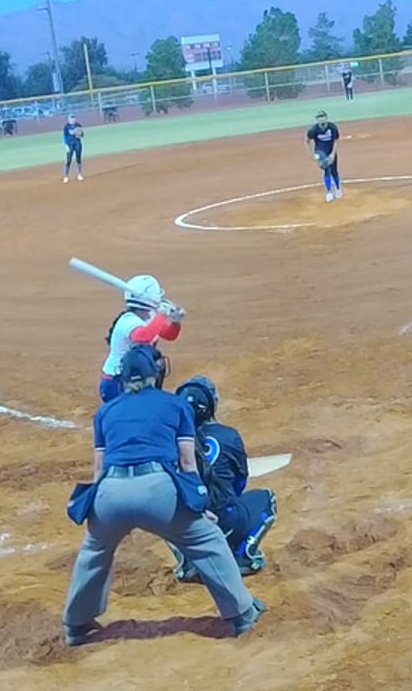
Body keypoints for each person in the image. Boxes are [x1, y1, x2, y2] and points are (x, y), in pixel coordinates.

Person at [62, 347, 265, 646]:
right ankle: (242, 613)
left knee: (94, 550)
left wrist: (98, 515)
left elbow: (99, 470)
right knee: (207, 540)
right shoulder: (175, 405)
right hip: (158, 490)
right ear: (155, 374)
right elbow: (187, 463)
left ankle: (75, 625)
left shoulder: (105, 412)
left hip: (111, 491)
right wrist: (199, 507)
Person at [168, 376, 279, 581]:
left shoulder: (168, 439)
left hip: (185, 527)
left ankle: (189, 560)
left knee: (163, 508)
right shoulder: (229, 435)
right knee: (267, 498)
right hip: (224, 519)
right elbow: (240, 482)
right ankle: (242, 555)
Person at [98, 275, 183, 401]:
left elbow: (169, 335)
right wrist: (162, 315)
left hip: (137, 377)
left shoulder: (151, 317)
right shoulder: (128, 320)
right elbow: (143, 337)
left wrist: (175, 322)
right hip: (117, 382)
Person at [307, 110, 341, 202]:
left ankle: (338, 188)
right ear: (317, 119)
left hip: (330, 150)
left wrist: (333, 154)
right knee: (327, 168)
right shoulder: (313, 130)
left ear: (326, 118)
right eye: (319, 118)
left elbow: (335, 140)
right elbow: (308, 140)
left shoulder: (332, 127)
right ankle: (329, 192)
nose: (321, 119)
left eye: (323, 117)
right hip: (320, 151)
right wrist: (312, 154)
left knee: (334, 171)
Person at [62, 116, 85, 183]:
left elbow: (82, 135)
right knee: (68, 160)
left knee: (78, 159)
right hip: (70, 144)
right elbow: (64, 137)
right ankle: (66, 176)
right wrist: (66, 146)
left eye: (73, 118)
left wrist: (78, 133)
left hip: (77, 143)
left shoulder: (78, 125)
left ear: (75, 119)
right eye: (71, 118)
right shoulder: (66, 126)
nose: (72, 120)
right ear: (69, 119)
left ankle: (79, 174)